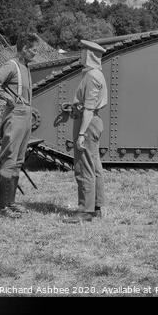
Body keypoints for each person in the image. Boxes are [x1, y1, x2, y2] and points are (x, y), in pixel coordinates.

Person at [0, 33, 39, 218]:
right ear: (23, 48)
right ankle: (1, 207)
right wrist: (8, 98)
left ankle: (11, 202)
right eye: (33, 49)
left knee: (18, 161)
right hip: (15, 117)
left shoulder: (26, 67)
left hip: (25, 116)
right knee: (9, 160)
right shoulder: (12, 65)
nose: (35, 53)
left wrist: (31, 109)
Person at [62, 40, 108, 223]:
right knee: (94, 166)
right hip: (91, 121)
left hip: (87, 123)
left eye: (82, 52)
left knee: (84, 167)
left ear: (89, 55)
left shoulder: (92, 77)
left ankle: (85, 210)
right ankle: (96, 206)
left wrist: (81, 134)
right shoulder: (95, 74)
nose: (80, 55)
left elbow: (88, 108)